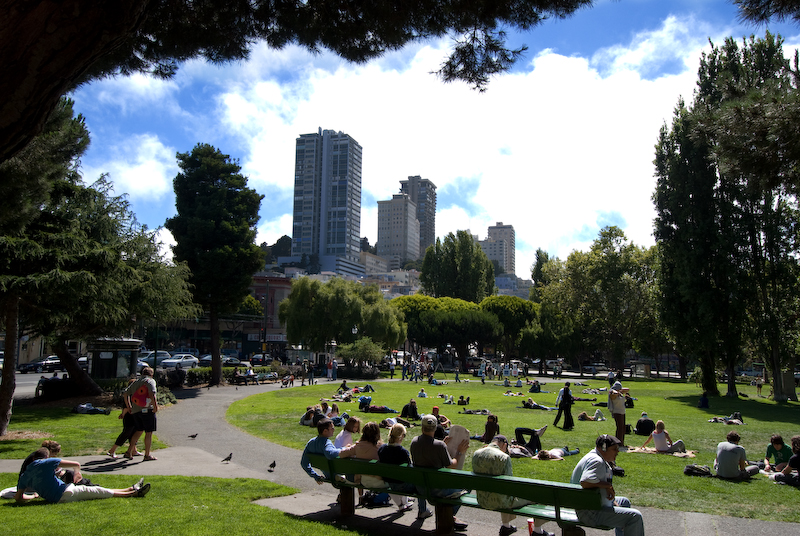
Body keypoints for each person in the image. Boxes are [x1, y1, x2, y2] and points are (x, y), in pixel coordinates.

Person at [472, 435, 554, 536]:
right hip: (501, 502)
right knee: (539, 494)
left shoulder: (476, 454)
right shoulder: (503, 457)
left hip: (482, 499)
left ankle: (506, 527)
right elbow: (509, 485)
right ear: (504, 445)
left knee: (500, 491)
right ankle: (538, 531)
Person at [570, 435, 644, 536]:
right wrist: (607, 486)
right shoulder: (597, 461)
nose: (617, 452)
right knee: (635, 516)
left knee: (624, 502)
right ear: (603, 448)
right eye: (614, 449)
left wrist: (611, 500)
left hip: (587, 506)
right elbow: (585, 481)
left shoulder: (592, 456)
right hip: (591, 514)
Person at [15, 447, 150, 503]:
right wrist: (77, 473)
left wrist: (32, 495)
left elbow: (18, 498)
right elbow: (76, 464)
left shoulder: (24, 476)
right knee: (98, 491)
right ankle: (134, 494)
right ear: (45, 457)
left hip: (59, 495)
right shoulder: (48, 462)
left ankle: (131, 489)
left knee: (98, 490)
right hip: (65, 492)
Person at [410, 414, 470, 528]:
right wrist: (459, 452)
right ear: (435, 428)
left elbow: (427, 454)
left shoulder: (414, 442)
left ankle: (428, 511)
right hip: (437, 490)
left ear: (422, 428)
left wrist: (443, 444)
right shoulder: (440, 445)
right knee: (467, 486)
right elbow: (452, 466)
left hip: (421, 488)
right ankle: (449, 516)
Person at [378, 423, 422, 513]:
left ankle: (402, 504)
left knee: (396, 476)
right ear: (401, 436)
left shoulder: (382, 449)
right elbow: (409, 471)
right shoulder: (403, 452)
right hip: (402, 484)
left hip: (388, 482)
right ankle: (420, 509)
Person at [124, 366, 158, 461]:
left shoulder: (135, 382)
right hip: (147, 410)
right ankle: (147, 455)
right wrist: (155, 407)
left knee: (139, 430)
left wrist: (129, 406)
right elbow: (152, 394)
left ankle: (129, 451)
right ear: (151, 374)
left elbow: (125, 393)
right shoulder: (150, 381)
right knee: (148, 432)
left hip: (136, 410)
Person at [608, 381, 629, 445]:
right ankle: (618, 442)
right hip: (617, 412)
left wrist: (620, 391)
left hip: (622, 412)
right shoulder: (612, 394)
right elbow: (614, 393)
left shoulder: (620, 394)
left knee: (623, 427)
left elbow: (627, 389)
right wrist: (616, 391)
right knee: (619, 427)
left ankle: (621, 442)